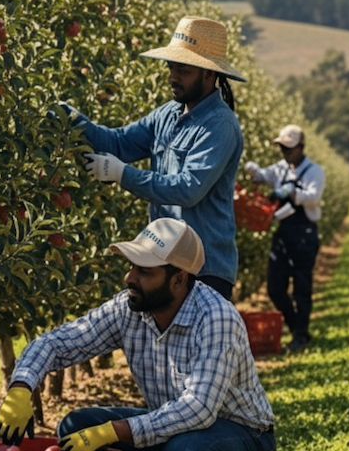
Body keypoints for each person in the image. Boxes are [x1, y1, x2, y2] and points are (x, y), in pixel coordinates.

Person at [0, 217, 276, 451]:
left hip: (245, 437)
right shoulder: (131, 308)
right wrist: (22, 386)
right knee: (75, 428)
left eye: (144, 271)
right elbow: (59, 342)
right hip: (178, 428)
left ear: (178, 279)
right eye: (131, 267)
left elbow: (199, 408)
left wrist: (113, 430)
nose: (130, 277)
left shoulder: (216, 318)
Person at [72, 16, 246, 300]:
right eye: (171, 67)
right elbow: (119, 143)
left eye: (184, 70)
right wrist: (73, 120)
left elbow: (188, 189)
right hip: (163, 264)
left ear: (209, 74)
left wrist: (121, 174)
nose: (172, 77)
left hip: (204, 271)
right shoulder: (168, 113)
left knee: (198, 344)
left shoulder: (219, 126)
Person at [244, 125, 325, 353]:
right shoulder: (280, 168)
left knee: (302, 286)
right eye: (282, 148)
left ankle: (300, 335)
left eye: (289, 149)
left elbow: (313, 196)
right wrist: (253, 171)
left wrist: (290, 192)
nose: (286, 153)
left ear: (301, 147)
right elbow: (264, 175)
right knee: (275, 287)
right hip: (283, 231)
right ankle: (296, 327)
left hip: (304, 232)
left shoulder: (314, 171)